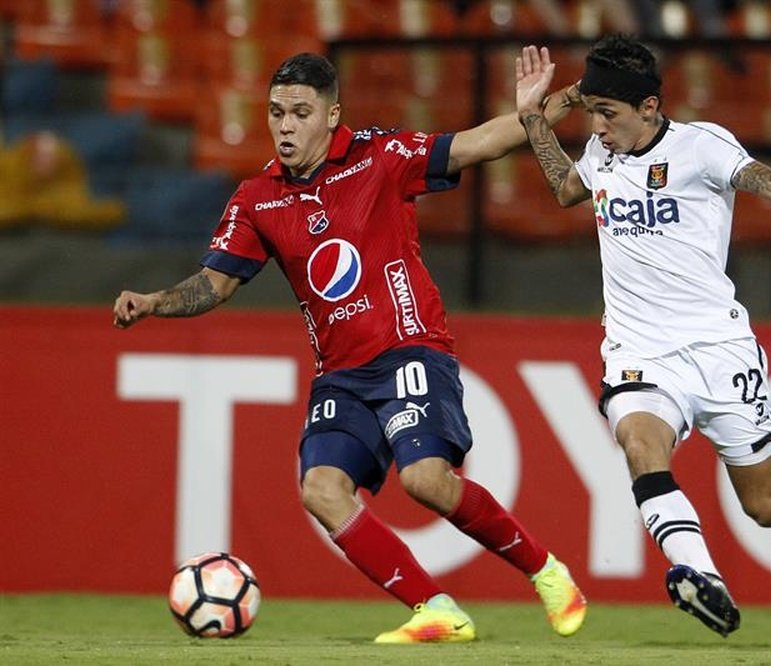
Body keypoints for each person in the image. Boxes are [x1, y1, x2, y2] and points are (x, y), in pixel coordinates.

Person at [113, 51, 587, 644]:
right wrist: (156, 302)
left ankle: (546, 571)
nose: (285, 126)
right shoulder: (257, 198)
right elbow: (217, 282)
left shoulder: (379, 157)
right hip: (340, 374)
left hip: (410, 347)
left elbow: (477, 144)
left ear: (332, 115)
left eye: (300, 113)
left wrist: (552, 105)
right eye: (276, 113)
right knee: (321, 488)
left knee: (426, 480)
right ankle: (435, 609)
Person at [514, 35, 771, 637]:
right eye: (591, 112)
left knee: (762, 504)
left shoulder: (701, 146)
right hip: (639, 351)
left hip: (720, 352)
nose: (597, 126)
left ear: (649, 107)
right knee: (641, 445)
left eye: (607, 113)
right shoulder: (602, 151)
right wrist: (534, 118)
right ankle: (701, 575)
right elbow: (568, 190)